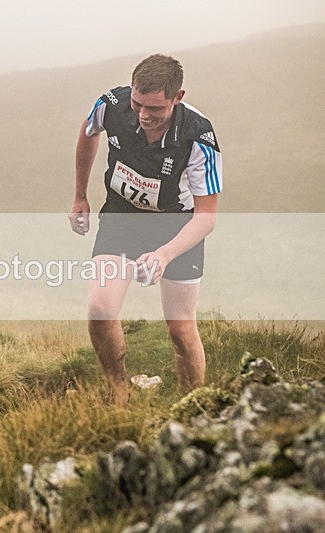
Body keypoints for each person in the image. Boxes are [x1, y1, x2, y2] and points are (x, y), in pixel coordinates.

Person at [68, 54, 222, 404]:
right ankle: (118, 392)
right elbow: (88, 131)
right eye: (137, 104)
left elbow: (206, 217)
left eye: (154, 109)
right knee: (100, 308)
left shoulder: (199, 135)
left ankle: (191, 407)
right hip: (123, 216)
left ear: (177, 97)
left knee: (180, 329)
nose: (143, 116)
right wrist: (80, 195)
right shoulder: (111, 104)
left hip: (176, 225)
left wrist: (165, 254)